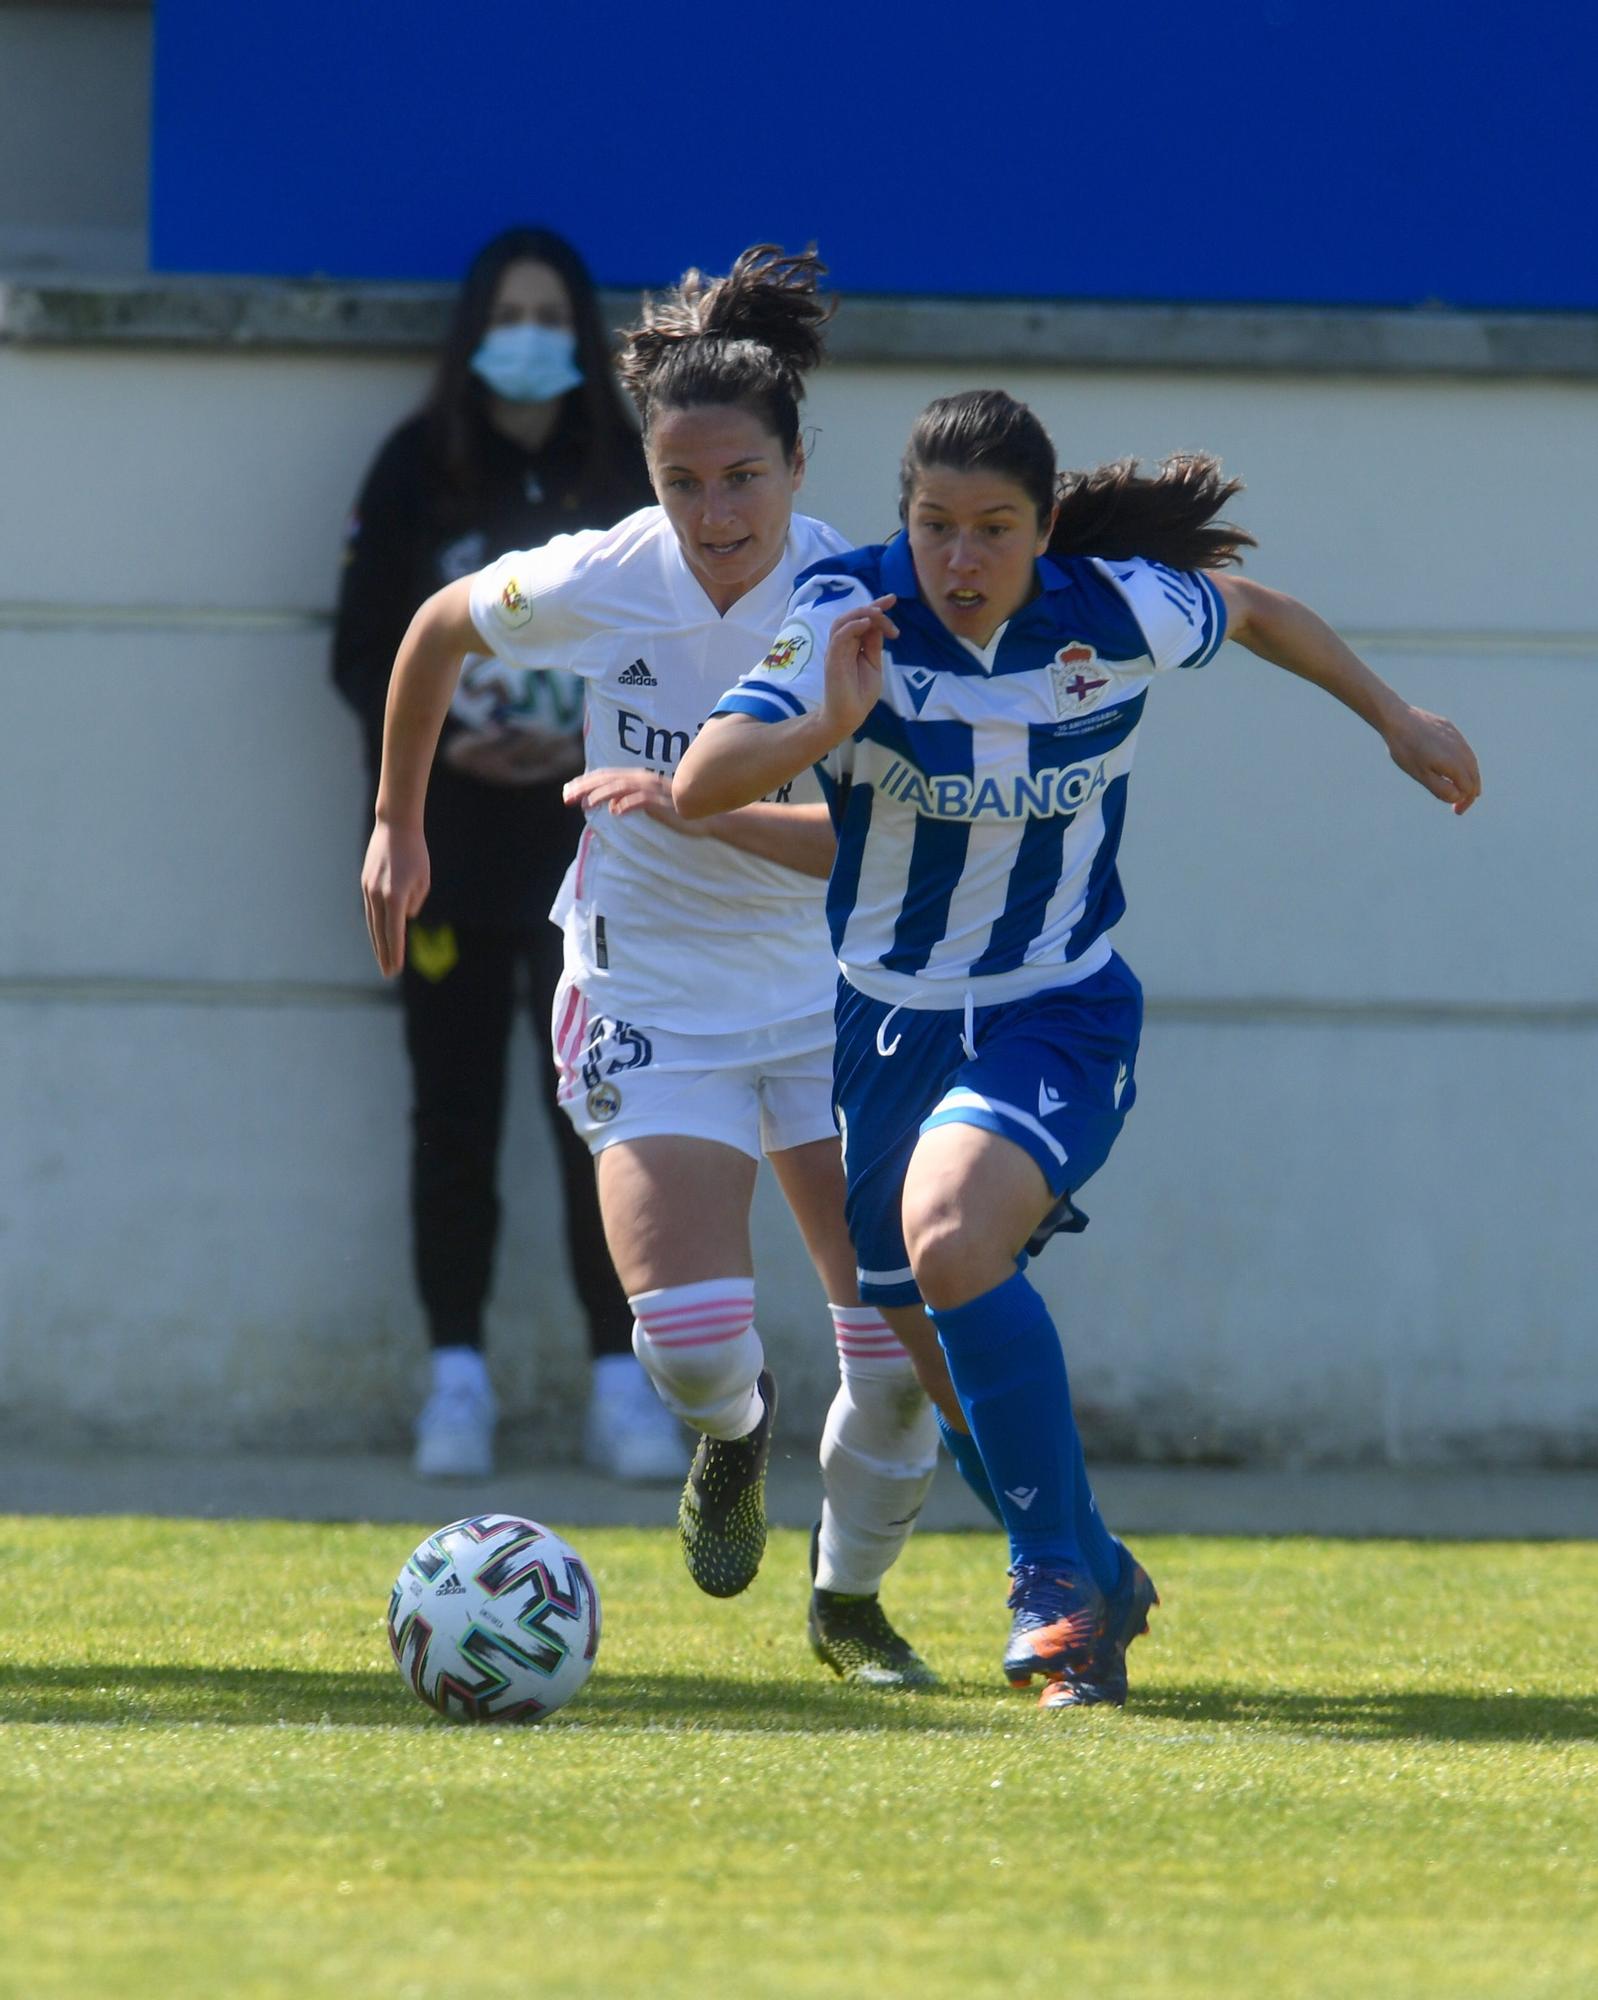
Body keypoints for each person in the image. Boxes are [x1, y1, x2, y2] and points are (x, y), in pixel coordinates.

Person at [674, 387, 1483, 1712]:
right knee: (931, 1345)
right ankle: (1094, 1562)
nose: (962, 560)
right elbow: (705, 781)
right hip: (885, 1028)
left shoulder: (1112, 610)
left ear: (1045, 532)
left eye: (994, 530)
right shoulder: (844, 613)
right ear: (904, 525)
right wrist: (824, 724)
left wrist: (1396, 718)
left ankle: (1052, 1596)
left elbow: (1260, 613)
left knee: (948, 1235)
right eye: (935, 526)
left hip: (1059, 1006)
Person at [361, 246, 954, 1688]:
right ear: (649, 476)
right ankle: (734, 1440)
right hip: (648, 991)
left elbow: (883, 854)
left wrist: (706, 805)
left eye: (741, 479)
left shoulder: (863, 609)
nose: (712, 514)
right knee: (689, 1345)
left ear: (799, 466)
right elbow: (436, 626)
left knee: (888, 1362)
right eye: (682, 484)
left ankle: (848, 1604)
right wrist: (397, 822)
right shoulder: (607, 576)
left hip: (829, 998)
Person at [331, 225, 686, 1483]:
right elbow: (359, 651)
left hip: (603, 861)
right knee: (454, 1117)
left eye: (551, 315)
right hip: (449, 860)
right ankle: (456, 1377)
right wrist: (442, 755)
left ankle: (620, 1382)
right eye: (509, 312)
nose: (529, 336)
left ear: (582, 334)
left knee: (605, 1114)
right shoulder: (417, 467)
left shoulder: (629, 479)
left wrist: (573, 742)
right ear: (474, 326)